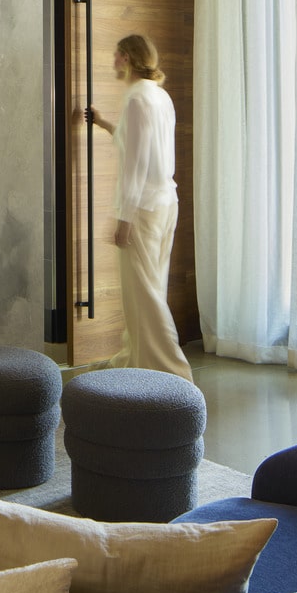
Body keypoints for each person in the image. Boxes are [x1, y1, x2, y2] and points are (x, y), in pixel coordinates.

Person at [86, 35, 193, 381]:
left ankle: (174, 372)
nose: (113, 60)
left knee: (144, 294)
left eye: (117, 54)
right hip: (166, 203)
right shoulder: (160, 96)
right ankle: (136, 359)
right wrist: (103, 123)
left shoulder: (136, 98)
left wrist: (124, 218)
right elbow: (138, 144)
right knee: (151, 287)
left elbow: (136, 164)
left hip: (143, 209)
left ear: (128, 58)